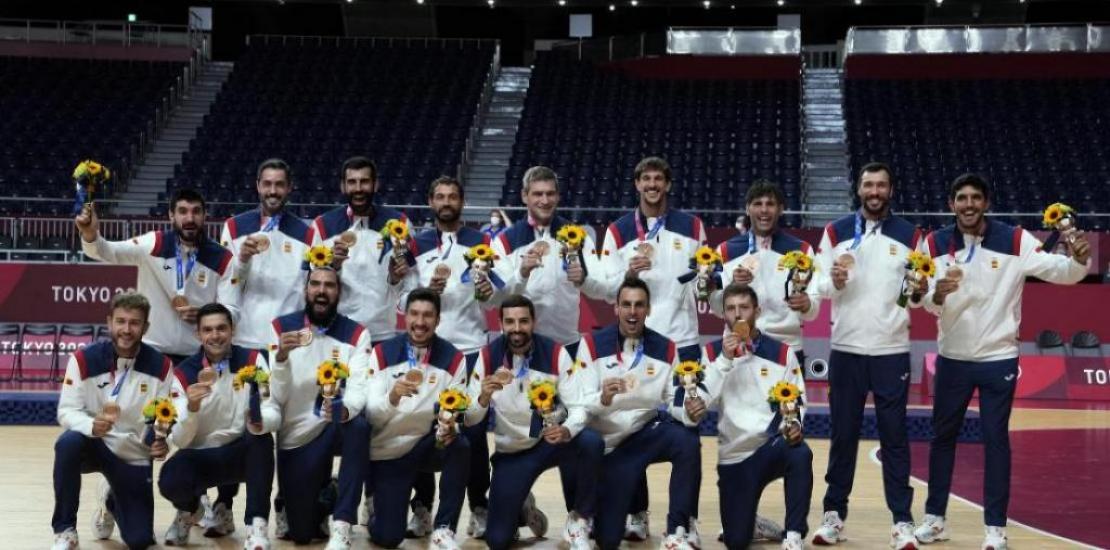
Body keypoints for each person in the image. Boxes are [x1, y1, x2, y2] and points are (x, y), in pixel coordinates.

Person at [913, 174, 1091, 550]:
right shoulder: (933, 243)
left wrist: (1079, 258)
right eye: (961, 198)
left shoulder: (1014, 239)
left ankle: (995, 529)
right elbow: (918, 299)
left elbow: (1064, 274)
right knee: (942, 439)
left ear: (986, 202)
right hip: (952, 358)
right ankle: (935, 520)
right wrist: (937, 295)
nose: (969, 204)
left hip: (998, 358)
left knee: (996, 441)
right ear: (951, 204)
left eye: (976, 197)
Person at [811, 162, 922, 549]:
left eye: (881, 185)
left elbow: (919, 292)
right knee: (843, 437)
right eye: (868, 185)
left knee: (895, 438)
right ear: (859, 190)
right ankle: (833, 517)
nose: (874, 191)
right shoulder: (835, 231)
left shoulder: (911, 235)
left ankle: (902, 521)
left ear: (890, 191)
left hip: (891, 350)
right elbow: (817, 283)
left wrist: (921, 288)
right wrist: (832, 281)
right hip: (846, 349)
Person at [597, 156, 708, 541]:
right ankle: (637, 513)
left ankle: (685, 521)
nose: (652, 185)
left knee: (689, 430)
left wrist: (709, 280)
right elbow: (602, 286)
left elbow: (701, 281)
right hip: (634, 342)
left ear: (668, 184)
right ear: (636, 184)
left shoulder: (692, 226)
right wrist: (628, 274)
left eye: (659, 179)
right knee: (631, 422)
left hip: (683, 343)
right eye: (646, 179)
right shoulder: (618, 230)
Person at [465, 294, 603, 550]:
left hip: (550, 442)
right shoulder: (486, 358)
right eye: (510, 322)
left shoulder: (555, 353)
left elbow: (579, 407)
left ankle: (579, 519)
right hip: (513, 453)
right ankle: (522, 507)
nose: (517, 329)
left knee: (590, 441)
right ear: (501, 323)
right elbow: (471, 419)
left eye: (523, 321)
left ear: (534, 322)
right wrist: (483, 397)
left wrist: (566, 429)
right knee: (497, 540)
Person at [576, 278, 705, 550]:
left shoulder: (667, 348)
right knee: (608, 540)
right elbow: (579, 403)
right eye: (626, 305)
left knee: (687, 439)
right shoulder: (591, 345)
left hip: (645, 435)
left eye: (639, 305)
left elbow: (673, 399)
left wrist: (689, 412)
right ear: (616, 308)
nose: (632, 312)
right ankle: (599, 516)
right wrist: (603, 397)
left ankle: (677, 531)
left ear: (648, 309)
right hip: (609, 446)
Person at [406, 176, 497, 538]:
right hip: (428, 347)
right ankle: (423, 508)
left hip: (471, 348)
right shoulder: (415, 244)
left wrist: (484, 289)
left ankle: (479, 507)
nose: (446, 202)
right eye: (440, 196)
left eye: (453, 197)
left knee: (473, 435)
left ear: (462, 201)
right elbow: (402, 300)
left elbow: (494, 299)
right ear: (430, 201)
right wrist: (426, 291)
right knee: (421, 427)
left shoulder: (482, 242)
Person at [256, 267, 372, 549]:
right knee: (302, 535)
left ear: (339, 292)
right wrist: (281, 358)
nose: (322, 291)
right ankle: (328, 491)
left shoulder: (357, 333)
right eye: (315, 284)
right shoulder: (280, 328)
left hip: (336, 423)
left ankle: (343, 523)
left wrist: (345, 410)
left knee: (360, 426)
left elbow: (359, 388)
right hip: (297, 435)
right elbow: (276, 396)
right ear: (306, 290)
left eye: (329, 285)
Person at [51, 292, 177, 550]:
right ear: (109, 322)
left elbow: (162, 418)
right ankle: (65, 530)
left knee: (139, 540)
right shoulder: (84, 359)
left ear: (146, 327)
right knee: (68, 443)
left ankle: (110, 500)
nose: (126, 329)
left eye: (134, 322)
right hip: (93, 443)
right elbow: (66, 411)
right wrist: (91, 425)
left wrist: (162, 442)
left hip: (132, 453)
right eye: (121, 321)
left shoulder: (161, 366)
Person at [157, 303, 275, 547]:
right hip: (201, 456)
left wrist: (260, 417)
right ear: (198, 335)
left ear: (232, 330)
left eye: (221, 328)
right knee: (170, 480)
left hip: (240, 453)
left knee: (261, 439)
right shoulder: (183, 374)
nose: (215, 335)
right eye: (208, 330)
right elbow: (180, 440)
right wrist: (191, 408)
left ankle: (256, 525)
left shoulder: (253, 360)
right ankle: (190, 510)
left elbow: (269, 405)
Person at [703, 284, 812, 550]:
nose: (737, 314)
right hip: (734, 458)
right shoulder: (712, 353)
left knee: (800, 452)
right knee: (736, 541)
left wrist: (794, 425)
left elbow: (797, 400)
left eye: (744, 308)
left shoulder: (782, 353)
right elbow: (704, 402)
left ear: (757, 311)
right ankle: (751, 523)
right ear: (723, 314)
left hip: (770, 447)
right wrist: (725, 361)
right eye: (730, 309)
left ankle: (794, 535)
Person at [76, 188, 239, 363]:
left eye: (196, 212)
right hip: (151, 353)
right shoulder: (154, 244)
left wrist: (206, 315)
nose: (190, 219)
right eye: (183, 211)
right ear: (171, 215)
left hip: (197, 357)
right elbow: (107, 252)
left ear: (205, 215)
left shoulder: (223, 258)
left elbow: (232, 310)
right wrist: (90, 234)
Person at [363, 288, 471, 550]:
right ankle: (376, 503)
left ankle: (443, 529)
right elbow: (371, 417)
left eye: (427, 316)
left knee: (460, 445)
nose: (420, 322)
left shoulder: (454, 358)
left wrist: (451, 425)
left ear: (438, 320)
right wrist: (393, 397)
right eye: (414, 314)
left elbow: (456, 407)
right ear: (404, 316)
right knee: (388, 537)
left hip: (425, 445)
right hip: (387, 452)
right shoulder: (381, 354)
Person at [491, 166, 612, 358]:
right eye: (538, 194)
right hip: (518, 345)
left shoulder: (577, 236)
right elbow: (497, 298)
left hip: (567, 345)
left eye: (550, 194)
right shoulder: (505, 241)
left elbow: (602, 290)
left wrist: (584, 280)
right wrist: (521, 274)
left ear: (558, 196)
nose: (545, 201)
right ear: (524, 196)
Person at [712, 179, 820, 366]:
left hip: (787, 348)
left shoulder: (802, 250)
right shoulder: (725, 251)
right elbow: (715, 307)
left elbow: (813, 310)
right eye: (757, 204)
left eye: (770, 204)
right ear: (747, 209)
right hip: (739, 347)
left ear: (780, 209)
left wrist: (806, 304)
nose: (764, 210)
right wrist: (733, 287)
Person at [309, 156, 413, 343]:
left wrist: (395, 279)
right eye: (352, 182)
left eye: (364, 181)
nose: (358, 189)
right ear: (343, 186)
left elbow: (409, 282)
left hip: (384, 334)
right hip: (340, 334)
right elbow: (314, 283)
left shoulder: (400, 224)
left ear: (375, 184)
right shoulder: (323, 226)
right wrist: (334, 267)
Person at [220, 158, 313, 350]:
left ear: (289, 188)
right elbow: (227, 282)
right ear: (257, 186)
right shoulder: (234, 227)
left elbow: (308, 287)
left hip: (287, 339)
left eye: (279, 184)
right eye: (267, 184)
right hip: (245, 337)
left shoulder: (307, 234)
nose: (273, 191)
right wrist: (242, 259)